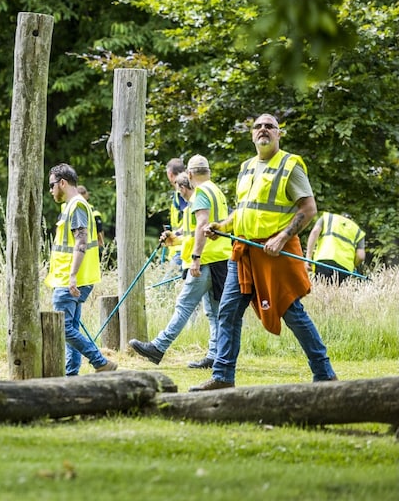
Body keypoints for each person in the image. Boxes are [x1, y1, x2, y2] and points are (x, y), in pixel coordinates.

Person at [191, 114, 337, 391]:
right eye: (258, 126)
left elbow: (308, 209)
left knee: (292, 312)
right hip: (244, 252)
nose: (263, 130)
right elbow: (244, 210)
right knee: (228, 312)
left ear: (279, 134)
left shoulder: (290, 165)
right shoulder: (246, 167)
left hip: (274, 254)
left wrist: (282, 238)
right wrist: (222, 226)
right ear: (252, 135)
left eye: (270, 126)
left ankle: (325, 374)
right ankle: (222, 377)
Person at [129, 156, 232, 369]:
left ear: (190, 174)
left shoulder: (201, 193)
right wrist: (174, 238)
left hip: (205, 260)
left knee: (184, 305)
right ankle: (215, 355)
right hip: (219, 258)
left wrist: (195, 258)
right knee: (213, 312)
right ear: (209, 172)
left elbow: (202, 224)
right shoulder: (216, 191)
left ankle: (158, 346)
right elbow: (194, 229)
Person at [46, 164, 117, 376]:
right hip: (73, 278)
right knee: (71, 329)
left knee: (63, 328)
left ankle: (100, 362)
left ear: (62, 183)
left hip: (70, 279)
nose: (50, 190)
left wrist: (72, 276)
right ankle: (71, 374)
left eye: (52, 185)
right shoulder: (72, 206)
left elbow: (81, 242)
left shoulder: (76, 206)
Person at [305, 212, 366, 284]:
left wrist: (308, 257)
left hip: (324, 260)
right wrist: (353, 265)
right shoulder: (358, 230)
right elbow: (361, 256)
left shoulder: (328, 217)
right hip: (345, 268)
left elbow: (315, 232)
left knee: (321, 286)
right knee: (337, 290)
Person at [164, 158, 188, 269]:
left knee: (168, 279)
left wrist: (177, 233)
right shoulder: (184, 190)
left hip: (182, 247)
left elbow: (190, 217)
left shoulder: (182, 192)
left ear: (170, 174)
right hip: (180, 245)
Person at [77, 185, 105, 249]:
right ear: (87, 195)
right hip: (90, 251)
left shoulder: (66, 209)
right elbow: (101, 240)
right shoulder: (94, 213)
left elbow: (101, 240)